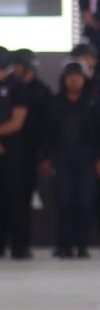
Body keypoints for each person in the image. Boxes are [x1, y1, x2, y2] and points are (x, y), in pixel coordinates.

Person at [41, 60, 100, 259]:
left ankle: (82, 245)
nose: (73, 82)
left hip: (86, 157)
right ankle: (64, 246)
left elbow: (99, 133)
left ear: (83, 80)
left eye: (77, 78)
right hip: (62, 157)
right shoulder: (54, 103)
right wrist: (46, 157)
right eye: (70, 78)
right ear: (64, 80)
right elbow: (47, 133)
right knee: (64, 201)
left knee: (85, 201)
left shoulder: (92, 103)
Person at [70, 43, 100, 256]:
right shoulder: (68, 85)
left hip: (95, 147)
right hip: (74, 152)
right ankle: (77, 245)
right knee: (77, 201)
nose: (83, 62)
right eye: (78, 58)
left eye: (86, 58)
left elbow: (97, 107)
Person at [10, 49, 52, 250]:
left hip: (31, 152)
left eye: (19, 64)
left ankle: (22, 245)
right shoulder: (10, 87)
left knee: (24, 199)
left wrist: (45, 156)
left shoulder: (42, 92)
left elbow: (48, 127)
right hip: (10, 150)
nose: (16, 68)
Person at [0, 47, 31, 260]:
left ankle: (19, 246)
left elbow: (17, 121)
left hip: (11, 151)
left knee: (14, 198)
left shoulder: (17, 86)